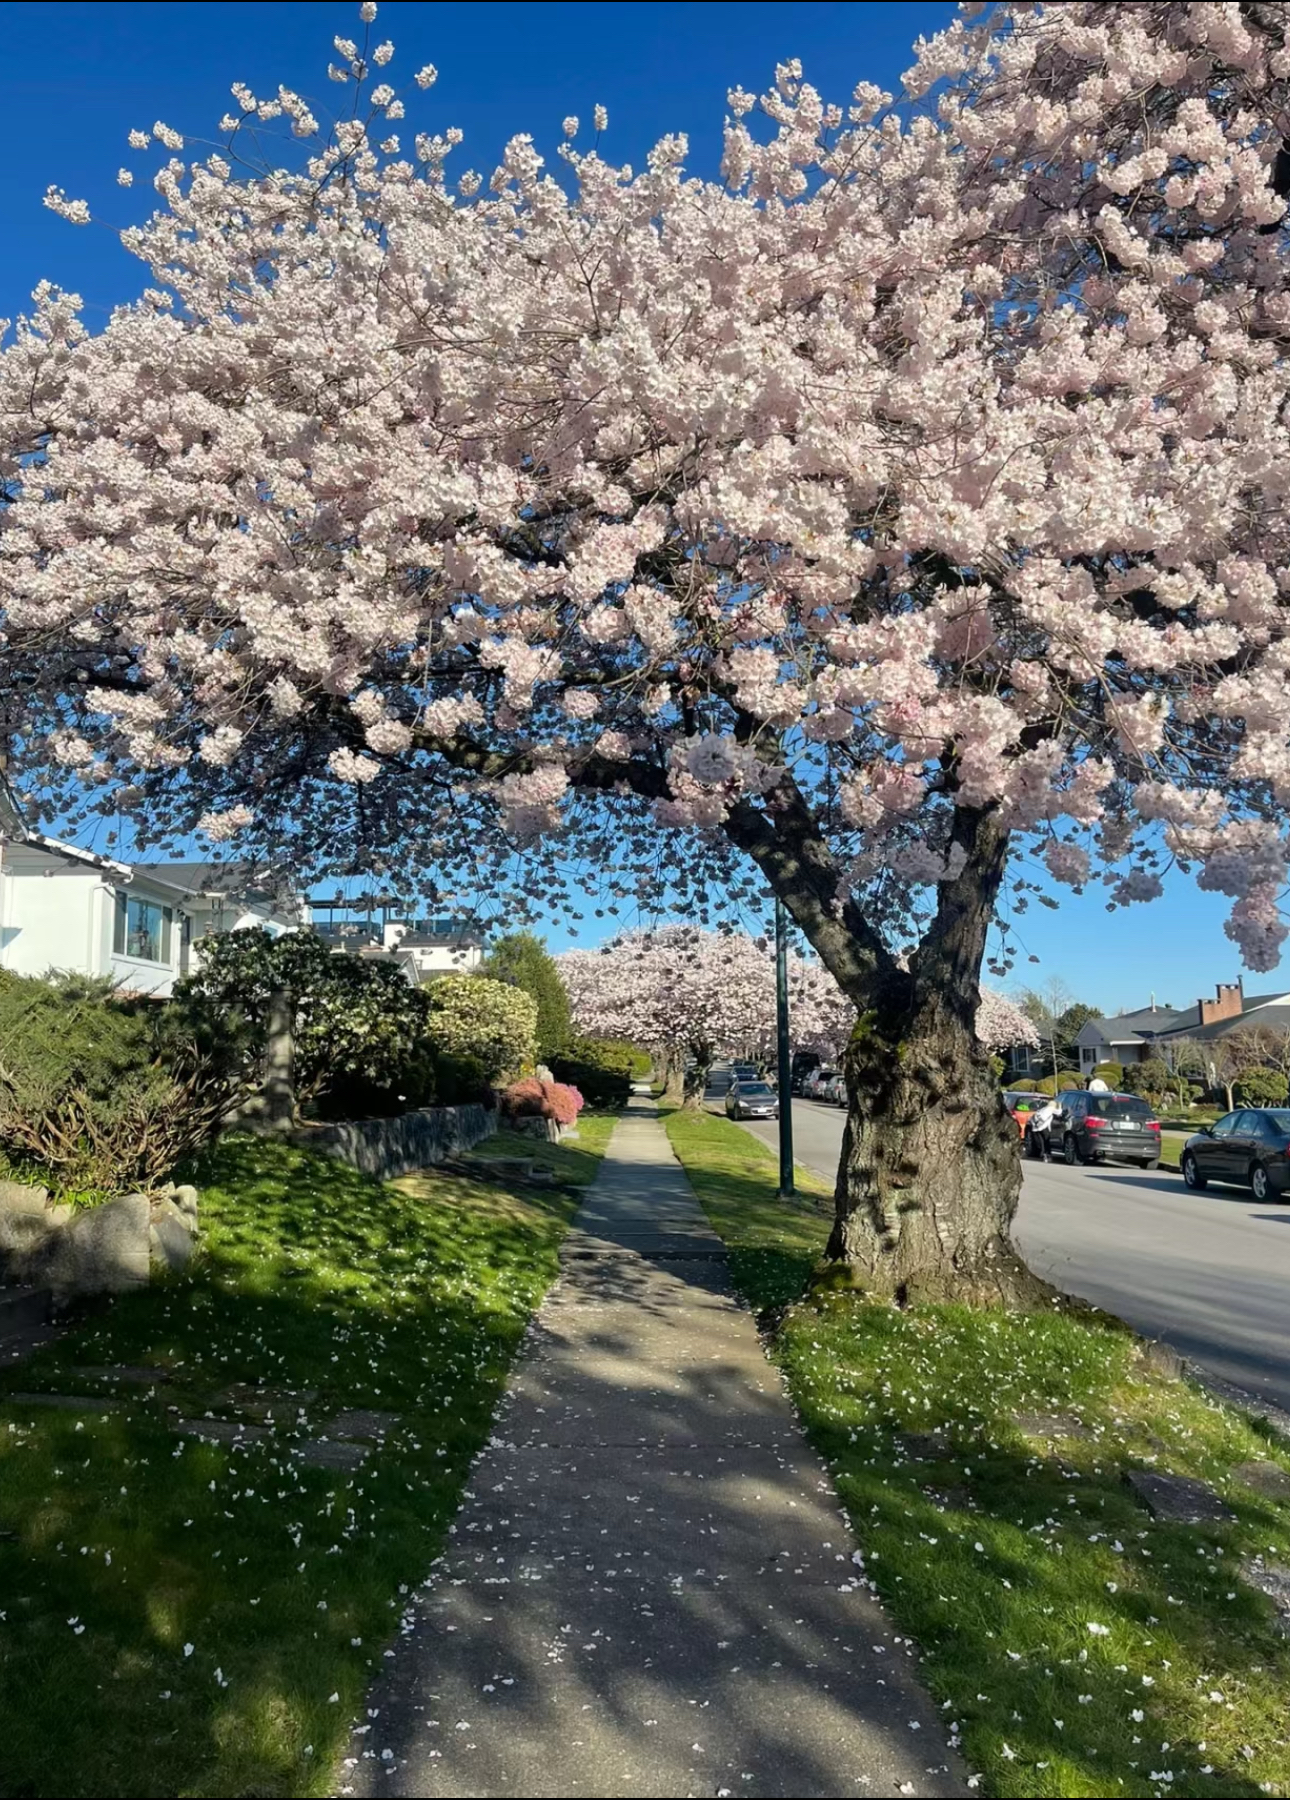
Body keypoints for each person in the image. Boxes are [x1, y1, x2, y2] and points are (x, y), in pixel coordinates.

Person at [1027, 1096, 1060, 1161]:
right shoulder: (1051, 1108)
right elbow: (1059, 1112)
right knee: (1046, 1141)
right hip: (1043, 1127)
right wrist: (1060, 1105)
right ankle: (1047, 1154)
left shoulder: (1043, 1109)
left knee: (1041, 1141)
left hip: (1036, 1127)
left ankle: (1043, 1154)